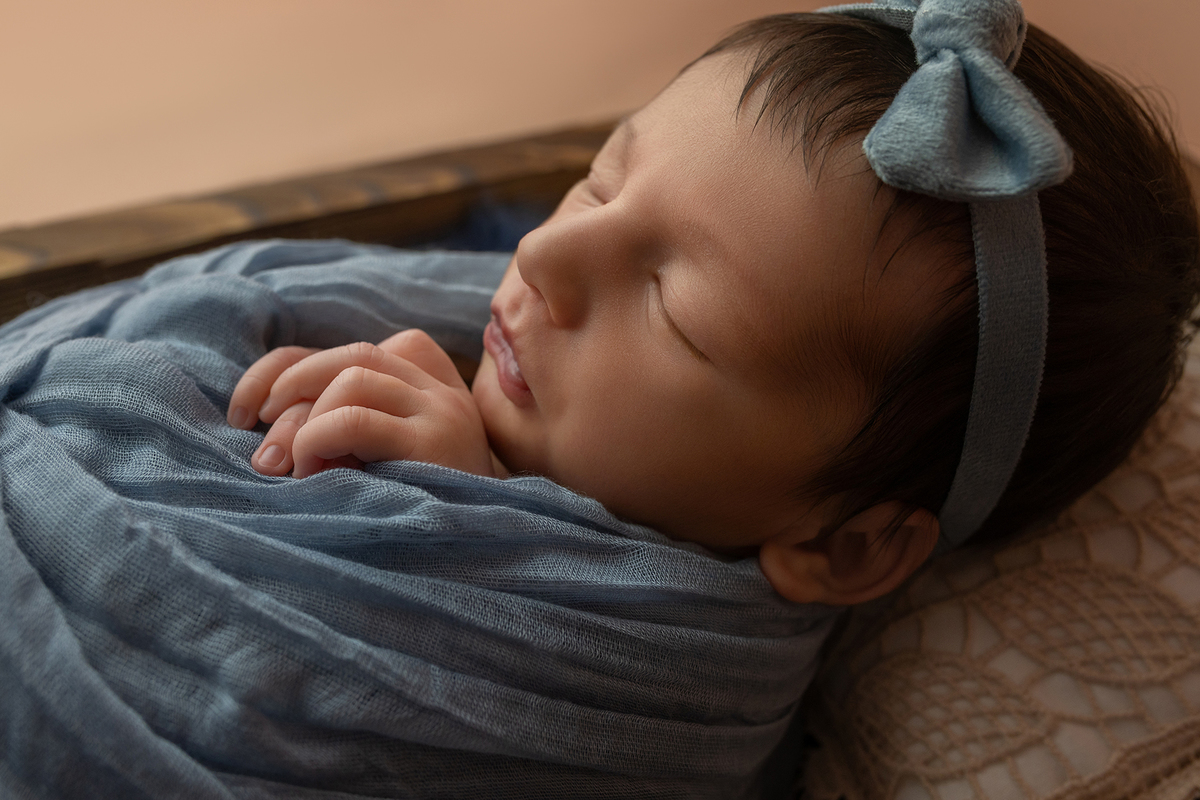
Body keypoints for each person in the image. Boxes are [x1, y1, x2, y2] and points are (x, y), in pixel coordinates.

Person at [229, 4, 1200, 605]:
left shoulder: (667, 688)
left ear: (842, 543)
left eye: (674, 307)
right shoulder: (487, 296)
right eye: (603, 180)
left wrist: (462, 527)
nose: (541, 253)